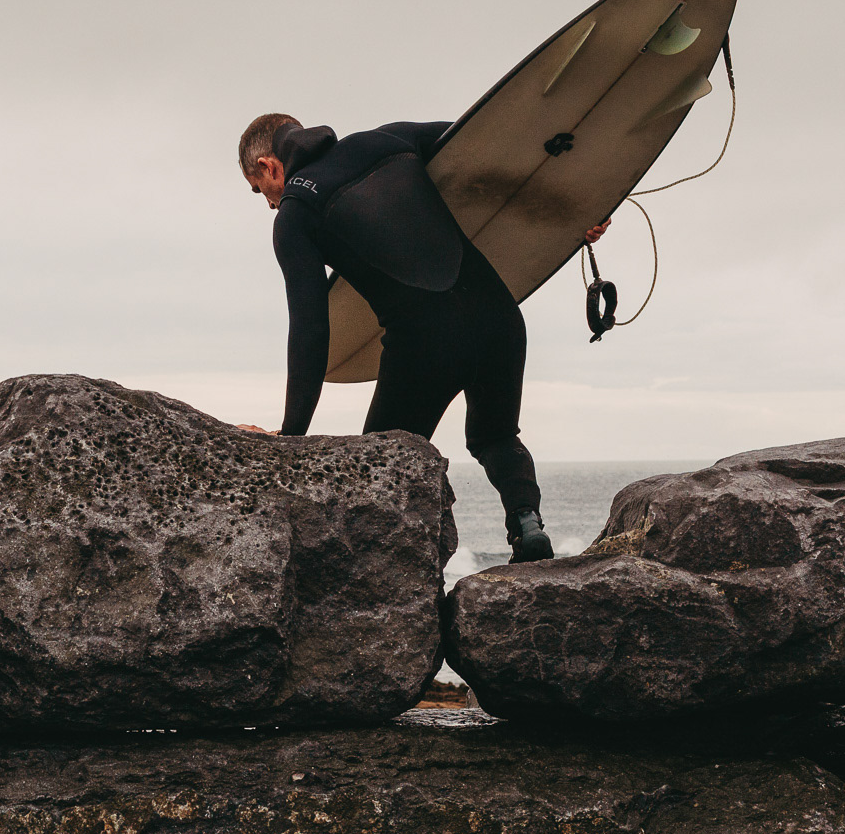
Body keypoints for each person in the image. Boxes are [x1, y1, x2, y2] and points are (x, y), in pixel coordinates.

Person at [235, 113, 608, 562]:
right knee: (495, 437)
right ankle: (527, 525)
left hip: (425, 347)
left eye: (259, 190)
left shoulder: (295, 215)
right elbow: (499, 141)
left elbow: (311, 330)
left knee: (380, 468)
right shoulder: (387, 139)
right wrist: (582, 211)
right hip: (500, 318)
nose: (269, 203)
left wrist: (292, 435)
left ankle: (400, 579)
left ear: (268, 166)